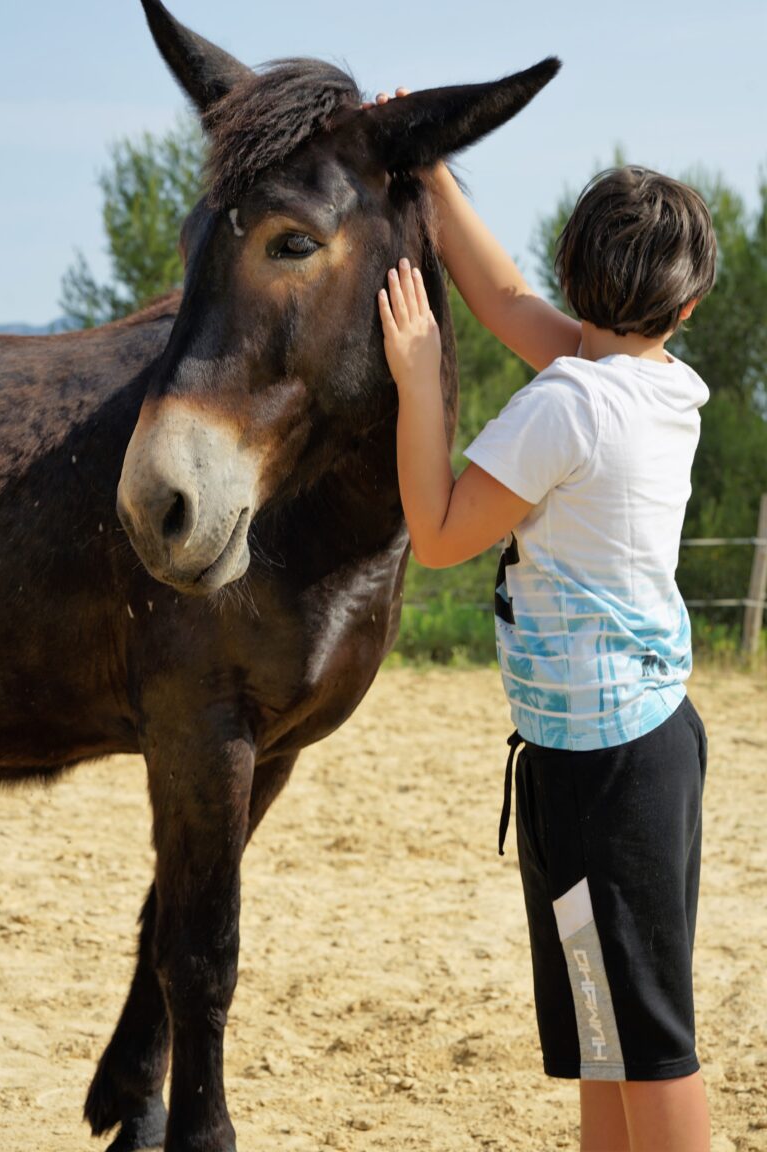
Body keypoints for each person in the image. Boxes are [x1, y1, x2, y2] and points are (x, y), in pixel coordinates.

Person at [375, 119, 716, 1152]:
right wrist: (429, 172)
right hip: (611, 755)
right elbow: (509, 302)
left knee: (647, 1047)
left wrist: (419, 375)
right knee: (605, 1037)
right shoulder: (660, 386)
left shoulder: (570, 402)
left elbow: (435, 534)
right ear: (687, 304)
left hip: (611, 772)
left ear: (577, 269)